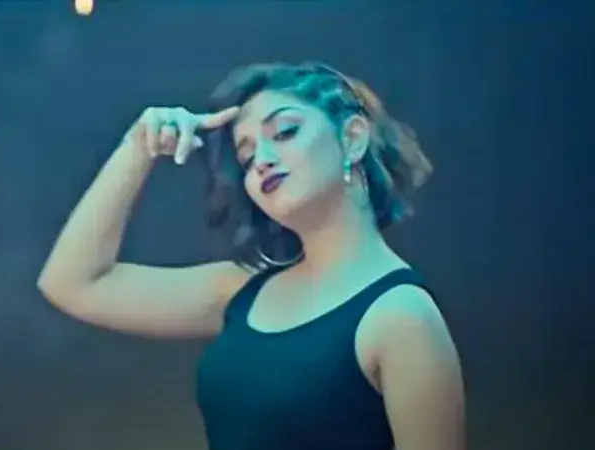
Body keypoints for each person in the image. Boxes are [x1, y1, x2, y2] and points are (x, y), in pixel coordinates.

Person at [37, 61, 465, 450]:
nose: (261, 160)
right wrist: (138, 147)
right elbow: (72, 282)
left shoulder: (402, 315)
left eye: (285, 132)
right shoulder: (242, 291)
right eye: (246, 155)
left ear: (352, 138)